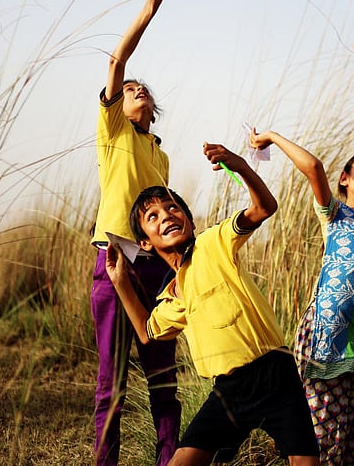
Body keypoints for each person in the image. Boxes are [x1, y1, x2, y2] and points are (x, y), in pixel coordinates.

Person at [104, 143, 320, 465]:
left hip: (275, 373)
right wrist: (121, 282)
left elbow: (264, 208)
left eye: (173, 208)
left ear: (189, 222)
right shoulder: (172, 297)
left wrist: (240, 165)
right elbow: (148, 333)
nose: (166, 216)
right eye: (153, 216)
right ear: (146, 242)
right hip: (228, 390)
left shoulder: (213, 242)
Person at [248, 129, 354, 465]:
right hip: (327, 339)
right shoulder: (335, 215)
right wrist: (270, 137)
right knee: (322, 433)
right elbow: (313, 166)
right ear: (344, 178)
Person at [89, 0, 181, 465]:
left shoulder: (160, 154)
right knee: (111, 388)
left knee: (164, 380)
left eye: (142, 88)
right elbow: (116, 62)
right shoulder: (114, 134)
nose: (135, 89)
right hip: (113, 263)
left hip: (154, 267)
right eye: (128, 90)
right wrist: (150, 7)